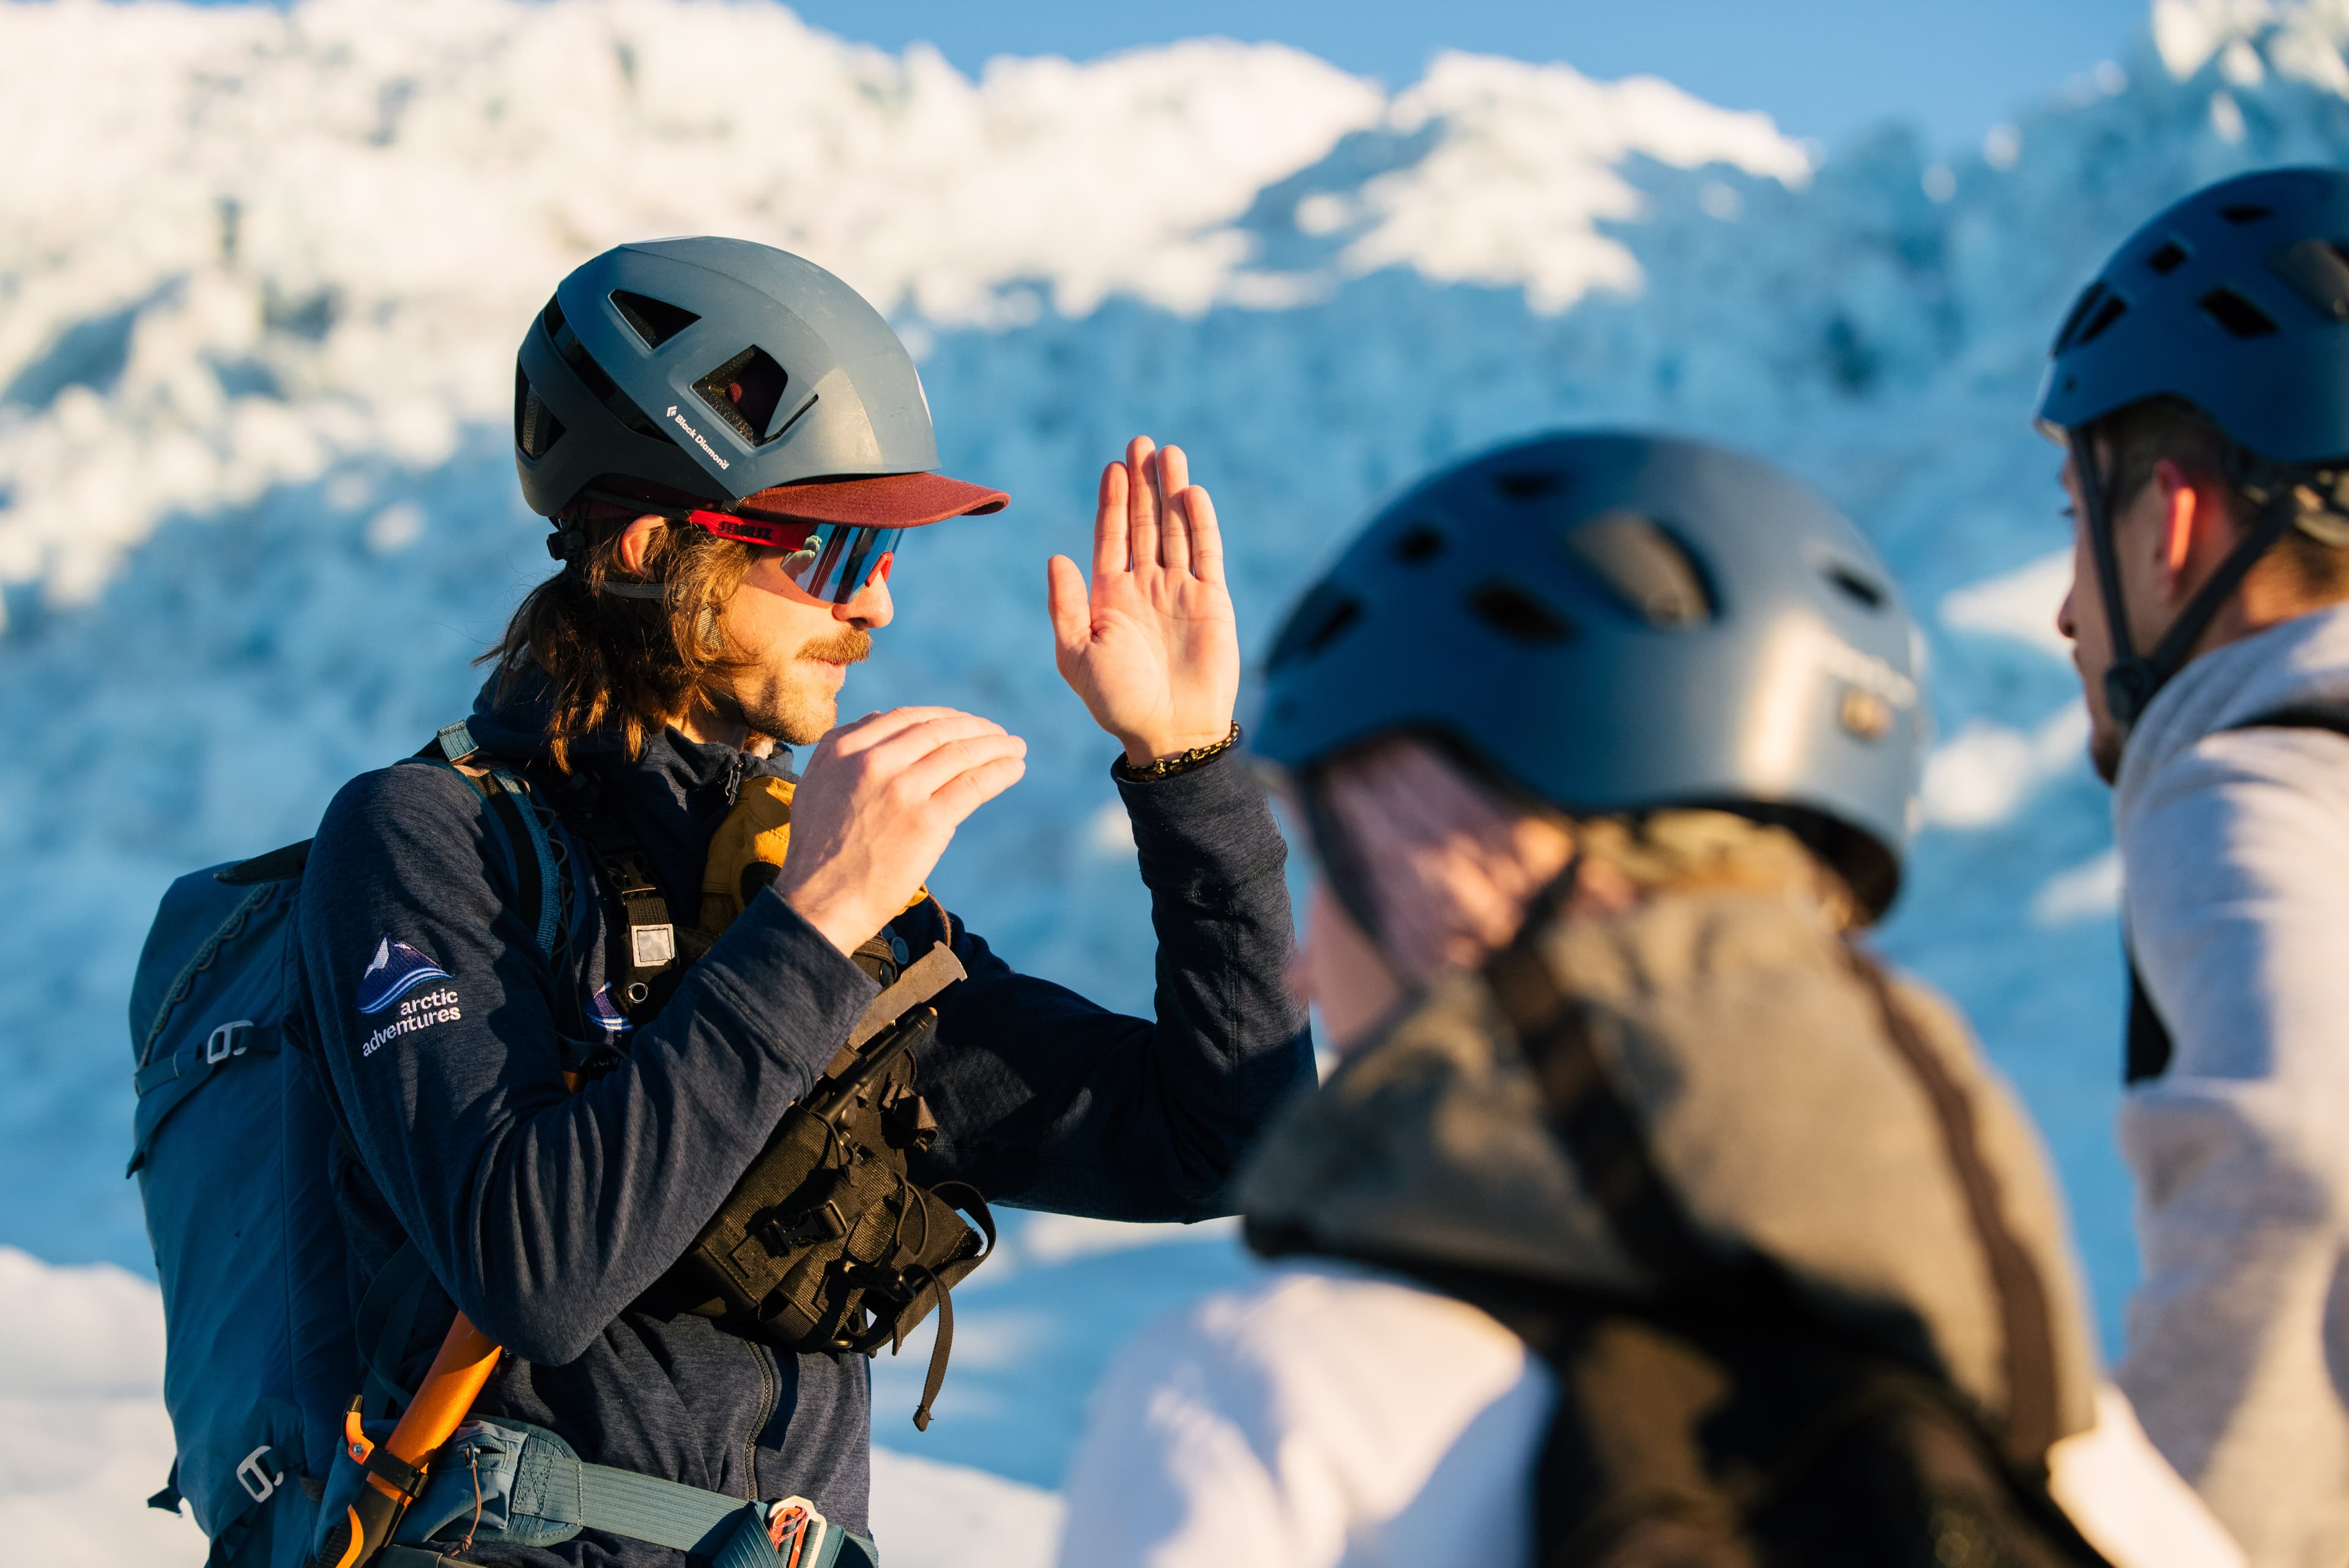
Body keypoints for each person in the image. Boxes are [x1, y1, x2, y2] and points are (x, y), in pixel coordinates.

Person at [295, 237, 1311, 1566]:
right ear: (655, 546)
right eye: (831, 548)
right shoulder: (431, 838)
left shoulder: (800, 876)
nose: (878, 602)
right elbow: (531, 1268)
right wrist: (815, 923)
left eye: (884, 550)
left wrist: (1188, 775)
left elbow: (1228, 1145)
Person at [1053, 431, 2241, 1568]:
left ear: (1456, 881)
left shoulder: (1260, 1409)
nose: (1305, 967)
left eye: (1337, 867)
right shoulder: (2071, 1445)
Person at [2036, 166, 2349, 1566]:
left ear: (2170, 518)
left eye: (2072, 523)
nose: (2064, 611)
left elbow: (2296, 1164)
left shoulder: (2259, 774)